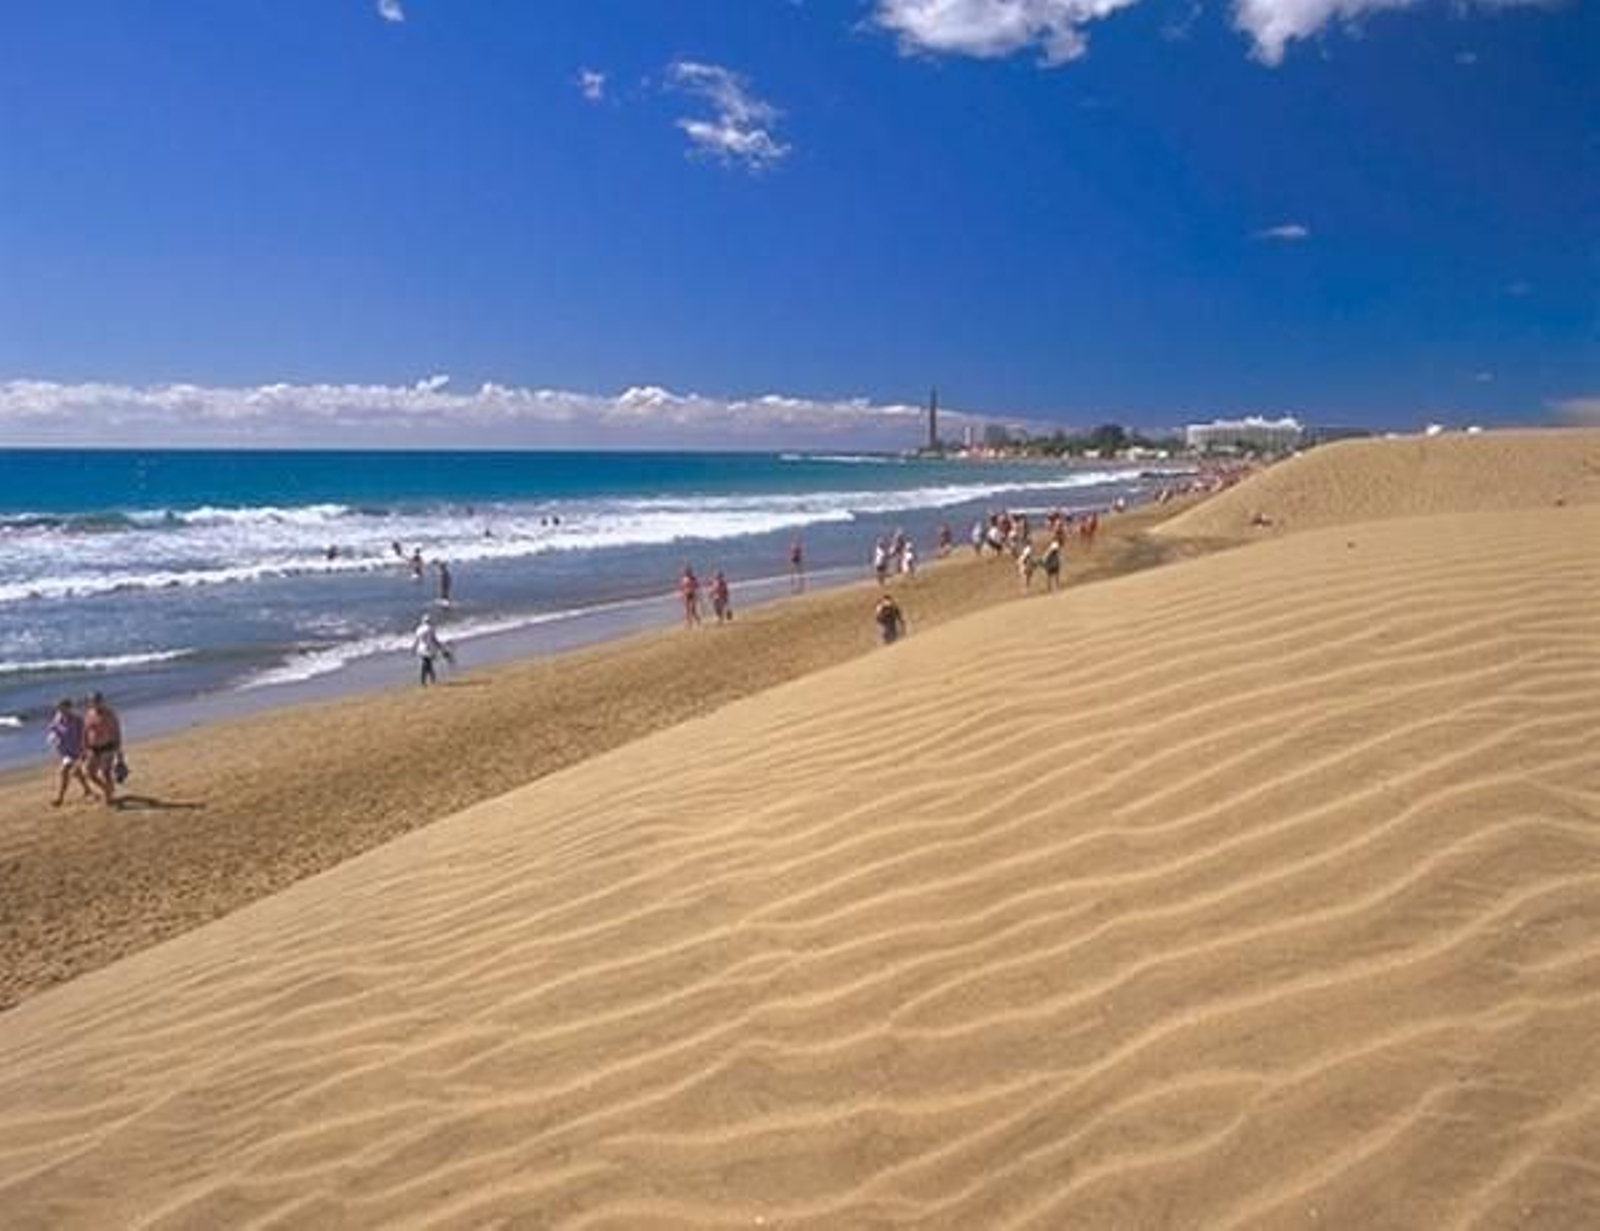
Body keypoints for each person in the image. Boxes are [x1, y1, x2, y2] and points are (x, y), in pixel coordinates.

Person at [45, 698, 91, 807]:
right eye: (60, 709)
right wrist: (52, 738)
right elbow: (52, 730)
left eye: (64, 708)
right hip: (65, 752)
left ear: (70, 708)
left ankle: (59, 798)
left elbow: (85, 735)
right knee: (76, 772)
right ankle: (87, 790)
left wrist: (85, 751)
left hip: (78, 751)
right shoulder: (57, 719)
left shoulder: (77, 720)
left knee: (64, 771)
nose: (61, 711)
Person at [82, 692, 123, 806]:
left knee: (106, 773)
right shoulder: (89, 714)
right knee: (89, 773)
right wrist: (84, 748)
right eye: (92, 701)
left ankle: (108, 797)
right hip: (93, 748)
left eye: (97, 700)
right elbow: (85, 731)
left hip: (107, 747)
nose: (95, 703)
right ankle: (107, 789)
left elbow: (116, 733)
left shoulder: (110, 714)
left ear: (102, 701)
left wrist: (119, 753)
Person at [413, 613, 451, 686]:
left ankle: (427, 680)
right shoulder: (431, 628)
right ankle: (429, 680)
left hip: (420, 649)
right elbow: (434, 639)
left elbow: (417, 640)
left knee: (426, 664)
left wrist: (414, 648)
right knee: (427, 665)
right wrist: (440, 647)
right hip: (428, 649)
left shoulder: (418, 629)